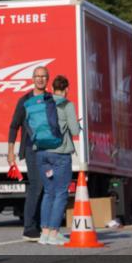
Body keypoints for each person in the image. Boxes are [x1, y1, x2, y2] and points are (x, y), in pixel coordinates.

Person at [7, 65, 51, 241]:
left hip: (49, 148)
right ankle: (29, 228)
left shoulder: (51, 100)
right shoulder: (24, 100)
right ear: (32, 79)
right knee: (36, 185)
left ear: (47, 79)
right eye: (37, 76)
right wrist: (10, 152)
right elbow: (14, 126)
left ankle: (40, 225)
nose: (40, 79)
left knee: (47, 186)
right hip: (31, 148)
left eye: (43, 76)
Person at [36, 75, 81, 245]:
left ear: (52, 88)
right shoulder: (67, 104)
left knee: (49, 192)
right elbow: (75, 130)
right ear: (66, 89)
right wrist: (76, 125)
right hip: (60, 154)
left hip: (42, 153)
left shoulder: (42, 102)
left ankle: (44, 233)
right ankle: (54, 233)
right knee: (61, 192)